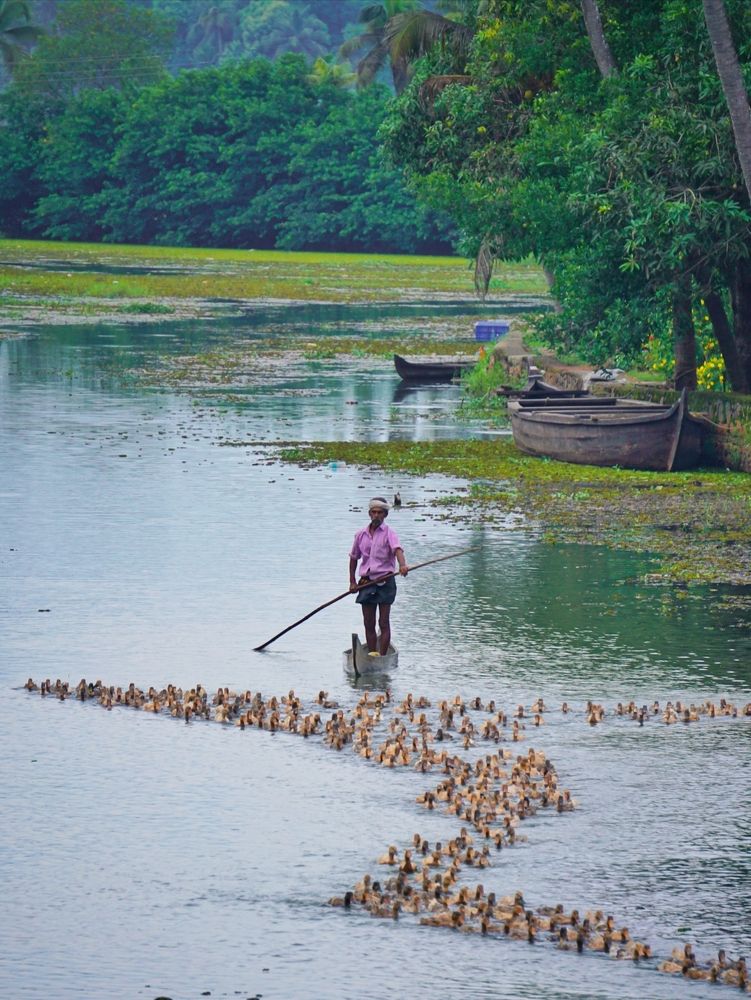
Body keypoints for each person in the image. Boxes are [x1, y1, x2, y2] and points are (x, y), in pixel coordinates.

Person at [349, 497, 408, 656]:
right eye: (373, 512)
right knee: (368, 622)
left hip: (385, 581)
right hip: (366, 582)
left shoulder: (389, 533)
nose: (376, 515)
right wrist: (352, 582)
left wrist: (402, 565)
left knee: (383, 622)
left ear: (385, 515)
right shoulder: (361, 535)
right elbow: (354, 558)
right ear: (369, 514)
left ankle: (382, 656)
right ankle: (372, 654)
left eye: (379, 513)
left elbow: (397, 550)